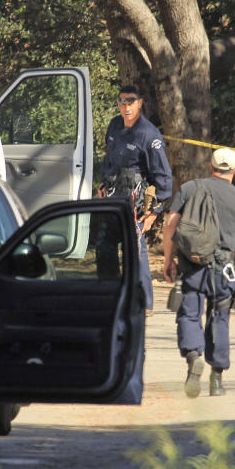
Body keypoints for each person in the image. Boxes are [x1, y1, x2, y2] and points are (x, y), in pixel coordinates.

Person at [162, 147, 235, 397]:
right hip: (224, 271)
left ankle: (192, 358)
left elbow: (170, 225)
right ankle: (217, 380)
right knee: (219, 318)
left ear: (211, 167)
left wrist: (168, 258)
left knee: (189, 315)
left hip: (191, 267)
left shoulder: (190, 188)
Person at [98, 85, 172, 313]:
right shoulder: (114, 125)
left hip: (135, 204)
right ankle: (110, 297)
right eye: (122, 101)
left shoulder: (149, 134)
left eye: (131, 101)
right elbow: (109, 158)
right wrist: (102, 183)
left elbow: (163, 176)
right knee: (104, 247)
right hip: (111, 197)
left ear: (139, 103)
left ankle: (143, 303)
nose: (126, 106)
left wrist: (155, 211)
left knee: (134, 250)